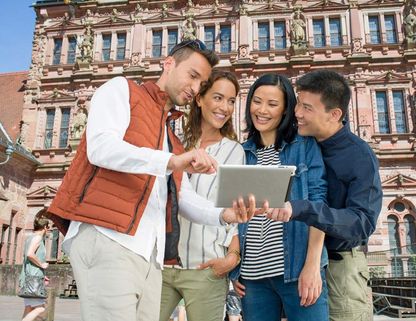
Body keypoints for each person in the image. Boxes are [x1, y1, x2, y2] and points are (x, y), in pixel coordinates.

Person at [47, 40, 259, 321]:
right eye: (192, 75)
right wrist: (170, 162)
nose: (195, 87)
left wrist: (225, 215)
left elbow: (183, 197)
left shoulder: (171, 138)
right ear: (168, 64)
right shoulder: (122, 89)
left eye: (201, 82)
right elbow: (101, 148)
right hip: (109, 238)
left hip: (150, 254)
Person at [267, 70, 383, 321]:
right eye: (298, 104)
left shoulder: (359, 156)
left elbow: (361, 223)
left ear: (335, 114)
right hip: (291, 264)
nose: (297, 113)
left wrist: (304, 209)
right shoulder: (297, 144)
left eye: (307, 108)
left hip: (339, 268)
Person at [230, 74, 329, 321]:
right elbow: (231, 217)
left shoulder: (304, 147)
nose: (262, 110)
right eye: (257, 101)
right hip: (252, 279)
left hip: (297, 270)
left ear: (286, 109)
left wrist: (313, 265)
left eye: (272, 104)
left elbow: (318, 206)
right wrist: (235, 271)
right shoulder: (241, 153)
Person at [160, 70, 245, 321]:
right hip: (162, 266)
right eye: (218, 98)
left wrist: (232, 258)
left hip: (207, 266)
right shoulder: (174, 144)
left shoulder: (234, 151)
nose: (225, 107)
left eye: (231, 101)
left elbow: (236, 212)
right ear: (199, 99)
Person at [19, 210, 50, 321]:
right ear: (45, 227)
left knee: (29, 308)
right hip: (33, 279)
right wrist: (42, 265)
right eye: (48, 227)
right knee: (40, 309)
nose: (49, 230)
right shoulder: (37, 238)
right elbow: (30, 255)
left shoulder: (30, 238)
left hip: (30, 277)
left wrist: (42, 274)